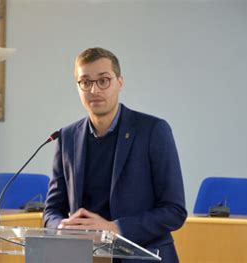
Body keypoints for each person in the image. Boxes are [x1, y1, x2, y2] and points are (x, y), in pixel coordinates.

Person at [43, 47, 187, 262]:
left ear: (120, 82)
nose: (94, 90)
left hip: (144, 256)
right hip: (85, 256)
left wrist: (115, 228)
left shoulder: (153, 130)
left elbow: (174, 211)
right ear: (78, 87)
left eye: (103, 80)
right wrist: (61, 227)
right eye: (85, 82)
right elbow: (52, 210)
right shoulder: (67, 137)